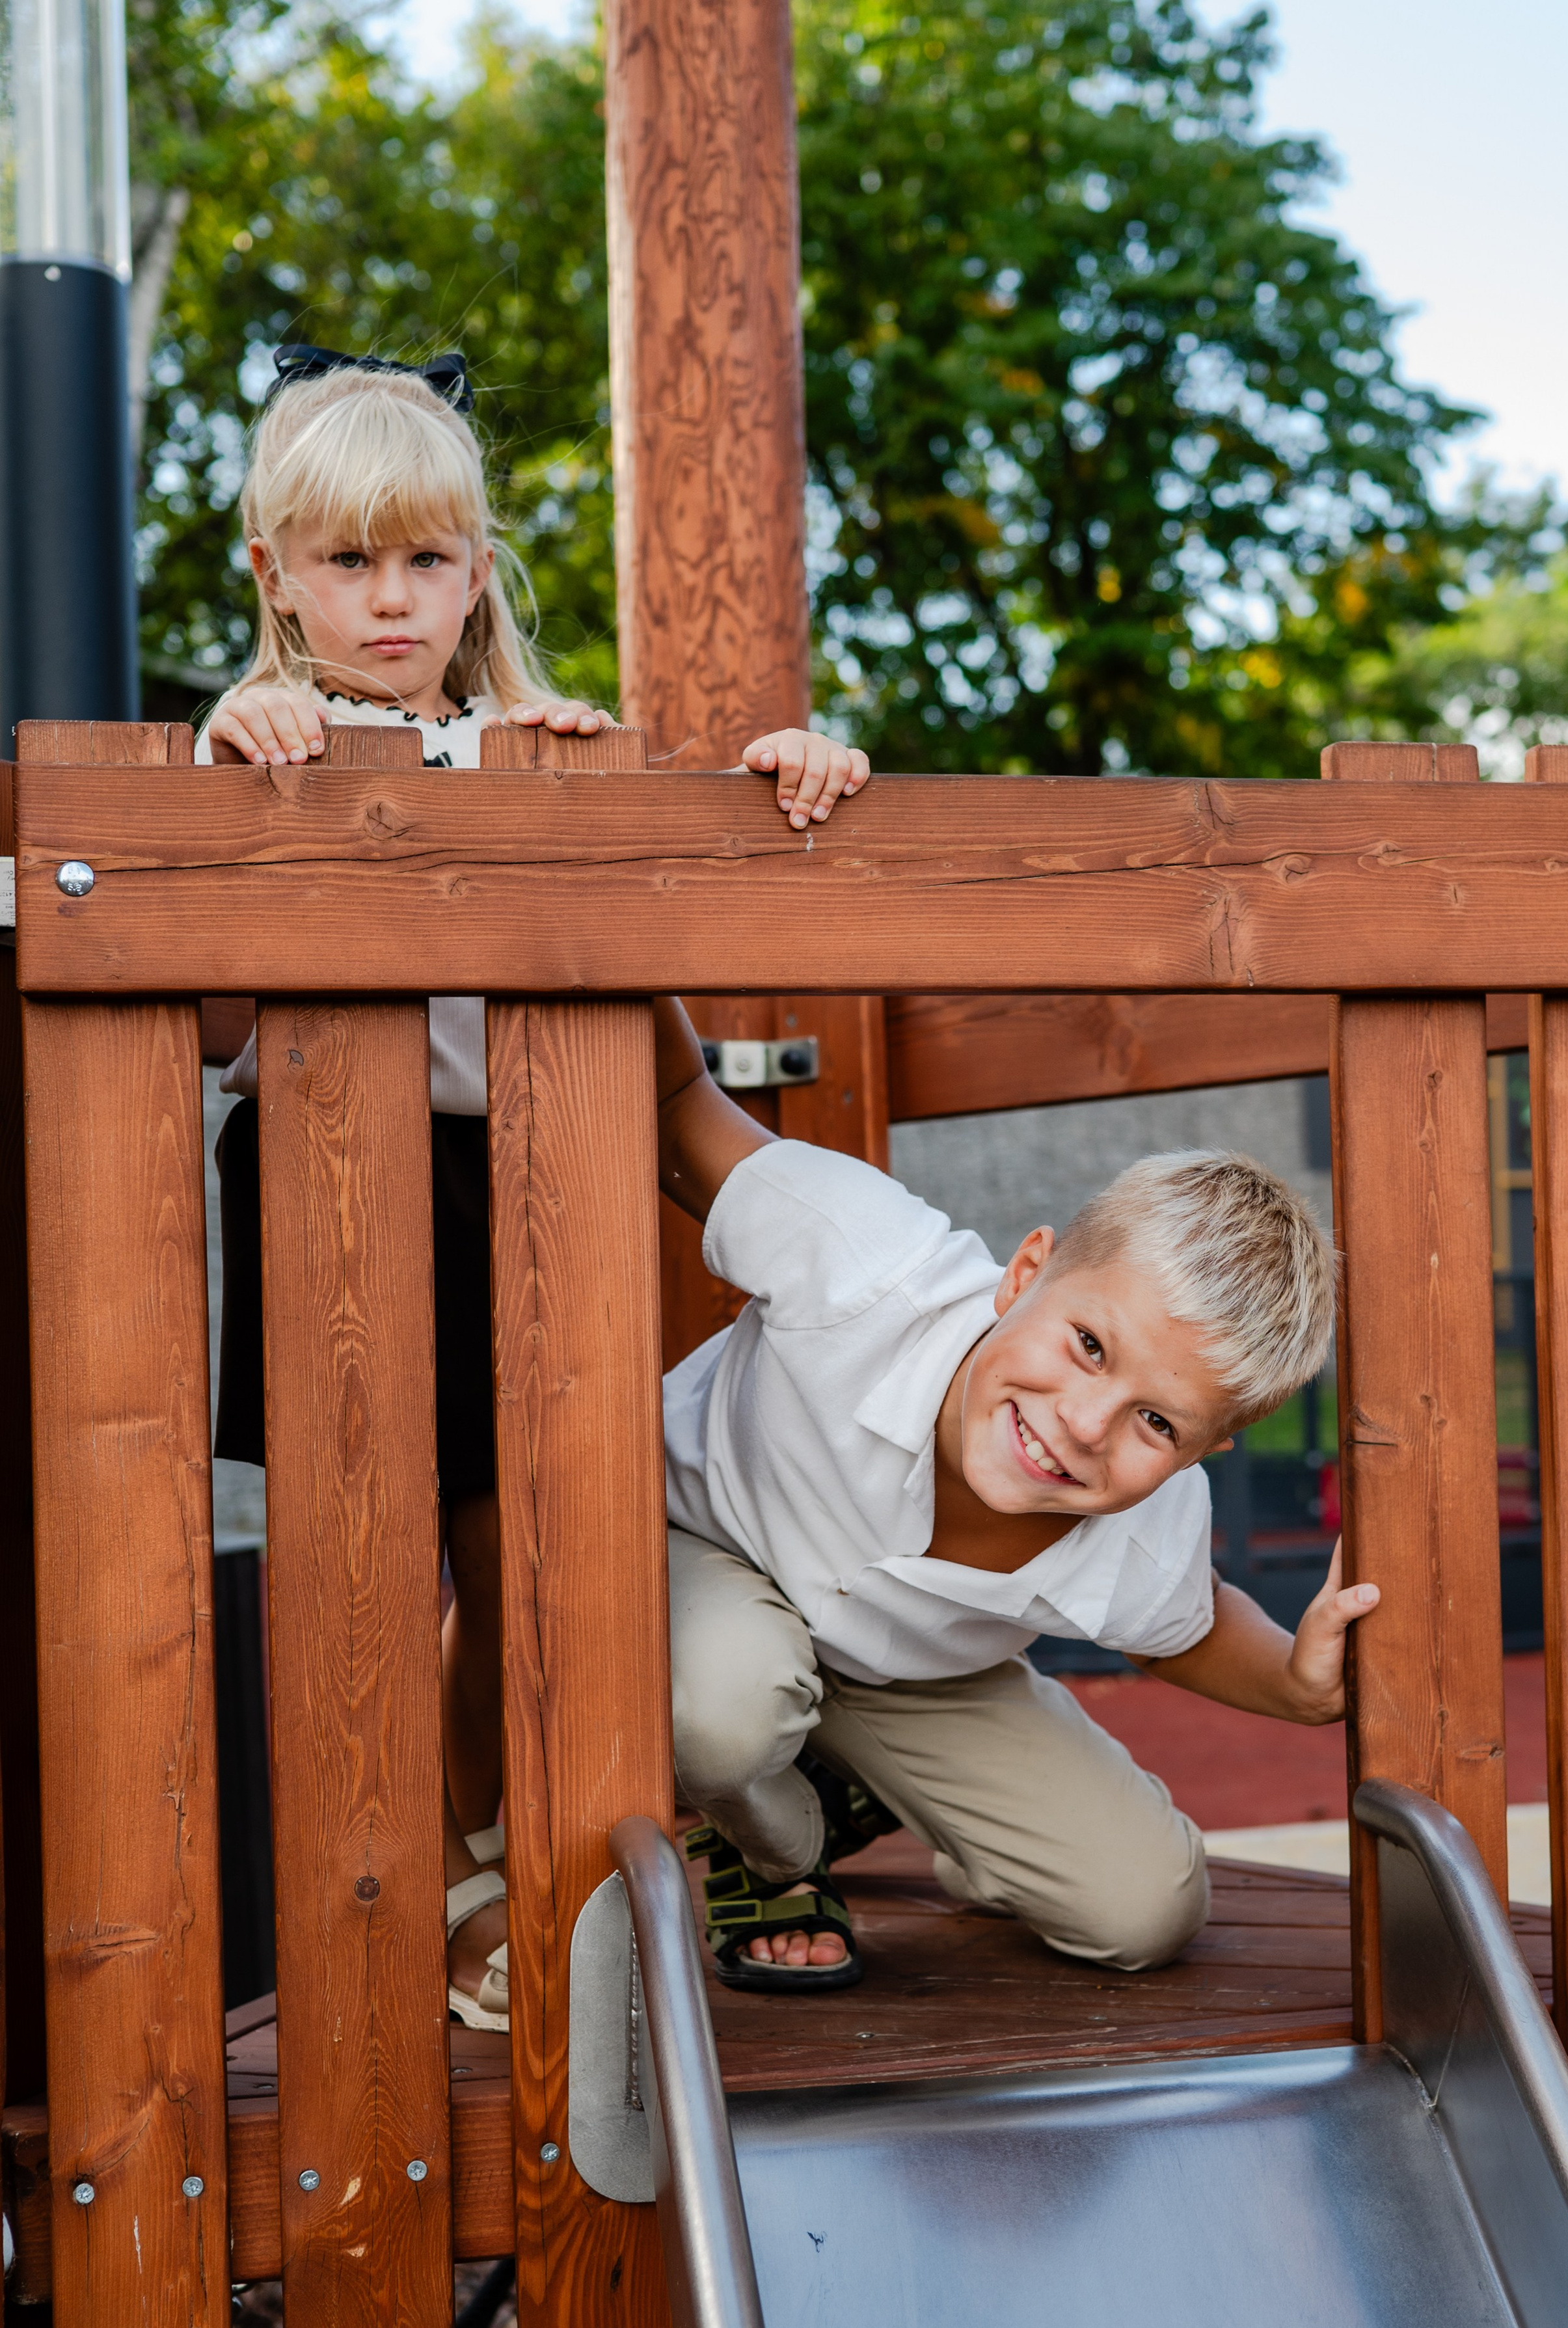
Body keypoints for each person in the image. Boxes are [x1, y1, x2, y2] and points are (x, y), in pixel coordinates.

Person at [199, 344, 870, 2027]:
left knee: (524, 1543)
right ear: (276, 576)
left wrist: (782, 770)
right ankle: (410, 1889)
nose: (391, 599)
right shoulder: (257, 743)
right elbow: (205, 1009)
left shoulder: (529, 746)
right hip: (329, 1186)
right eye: (348, 563)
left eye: (427, 561)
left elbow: (656, 931)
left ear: (475, 573)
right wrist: (233, 759)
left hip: (514, 1174)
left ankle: (507, 1853)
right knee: (361, 1548)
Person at [656, 990, 1381, 1991]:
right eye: (1088, 1345)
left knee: (1146, 1905)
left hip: (897, 1674)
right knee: (731, 1709)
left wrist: (1298, 1691)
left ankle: (834, 1769)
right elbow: (678, 1097)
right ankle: (773, 1848)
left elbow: (1191, 1625)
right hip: (705, 1551)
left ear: (1209, 1450)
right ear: (1025, 1271)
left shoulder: (1142, 1524)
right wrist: (585, 950)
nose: (1085, 1424)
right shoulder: (866, 1264)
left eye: (1157, 1422)